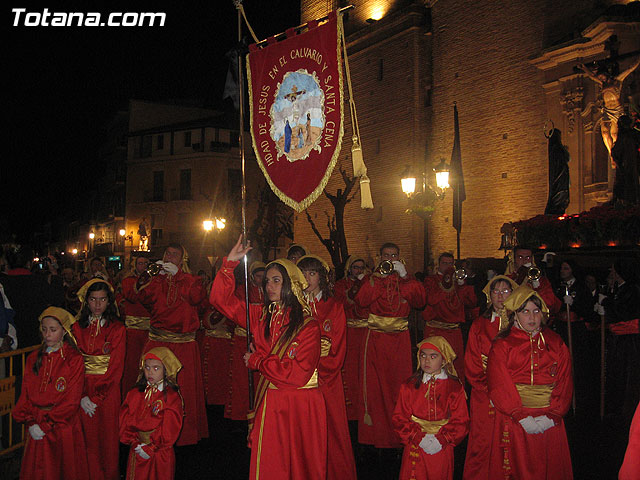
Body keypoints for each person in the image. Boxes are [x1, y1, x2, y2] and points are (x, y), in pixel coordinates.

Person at [210, 236, 327, 479]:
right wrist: (229, 264)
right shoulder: (261, 316)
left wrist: (258, 362)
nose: (269, 286)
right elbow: (221, 301)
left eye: (277, 281)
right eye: (267, 282)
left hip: (300, 404)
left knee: (301, 466)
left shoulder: (309, 327)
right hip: (271, 401)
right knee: (271, 464)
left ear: (292, 284)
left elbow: (297, 374)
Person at [487, 286, 573, 479]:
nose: (532, 317)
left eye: (536, 311)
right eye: (525, 311)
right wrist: (519, 415)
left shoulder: (555, 342)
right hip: (516, 418)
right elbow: (498, 382)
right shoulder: (503, 344)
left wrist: (553, 415)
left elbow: (565, 380)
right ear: (515, 315)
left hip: (549, 419)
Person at [128, 243, 208, 446]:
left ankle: (184, 434)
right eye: (168, 253)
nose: (170, 257)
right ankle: (151, 429)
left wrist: (180, 275)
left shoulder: (192, 280)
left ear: (182, 260)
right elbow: (140, 296)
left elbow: (196, 297)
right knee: (153, 389)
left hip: (183, 345)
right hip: (158, 341)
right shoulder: (156, 280)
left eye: (175, 255)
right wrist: (150, 275)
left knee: (183, 390)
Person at [354, 242, 426, 448]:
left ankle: (399, 434)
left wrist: (404, 277)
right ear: (379, 257)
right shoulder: (372, 278)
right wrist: (379, 277)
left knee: (399, 386)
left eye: (394, 256)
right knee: (375, 389)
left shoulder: (406, 280)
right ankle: (374, 435)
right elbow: (362, 300)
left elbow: (420, 301)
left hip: (399, 341)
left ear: (399, 258)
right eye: (386, 255)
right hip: (375, 338)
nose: (390, 259)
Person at [298, 254, 357, 480]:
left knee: (330, 431)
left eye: (311, 273)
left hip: (325, 382)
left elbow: (336, 350)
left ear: (321, 278)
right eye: (302, 273)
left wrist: (312, 371)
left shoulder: (334, 307)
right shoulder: (293, 308)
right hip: (297, 382)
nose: (306, 278)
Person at [13, 306, 89, 480]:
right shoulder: (34, 358)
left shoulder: (73, 360)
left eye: (53, 330)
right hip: (36, 422)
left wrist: (46, 425)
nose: (47, 334)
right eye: (44, 329)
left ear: (64, 331)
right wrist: (31, 422)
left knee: (62, 470)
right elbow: (25, 393)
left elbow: (71, 400)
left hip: (62, 426)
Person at [463, 275, 518, 479]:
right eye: (496, 291)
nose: (500, 295)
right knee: (483, 438)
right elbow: (472, 360)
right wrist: (490, 389)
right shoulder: (479, 324)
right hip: (484, 392)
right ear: (489, 295)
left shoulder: (520, 322)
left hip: (513, 392)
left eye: (505, 291)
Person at [393, 336, 469, 480]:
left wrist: (442, 439)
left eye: (433, 356)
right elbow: (399, 418)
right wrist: (418, 438)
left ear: (444, 359)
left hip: (442, 447)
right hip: (415, 445)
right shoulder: (408, 386)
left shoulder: (454, 388)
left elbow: (461, 421)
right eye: (423, 356)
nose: (427, 361)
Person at [71, 279, 125, 480]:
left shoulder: (117, 329)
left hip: (108, 391)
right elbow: (73, 364)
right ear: (86, 301)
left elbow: (116, 367)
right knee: (85, 437)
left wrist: (97, 397)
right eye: (93, 299)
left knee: (107, 437)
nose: (97, 304)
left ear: (109, 302)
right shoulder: (77, 328)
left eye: (102, 299)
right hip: (82, 387)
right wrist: (82, 395)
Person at [120, 347, 184, 480]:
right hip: (137, 448)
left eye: (156, 368)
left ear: (166, 370)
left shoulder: (171, 397)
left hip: (160, 452)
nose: (150, 372)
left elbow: (170, 427)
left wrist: (152, 447)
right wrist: (134, 442)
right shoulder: (135, 393)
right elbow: (125, 418)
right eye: (147, 368)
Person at [423, 252, 476, 383]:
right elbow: (431, 299)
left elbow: (472, 302)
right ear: (438, 265)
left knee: (455, 366)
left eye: (450, 264)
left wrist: (462, 285)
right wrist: (446, 282)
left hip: (453, 331)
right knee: (433, 364)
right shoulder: (431, 280)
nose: (448, 266)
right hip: (435, 330)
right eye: (444, 263)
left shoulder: (458, 282)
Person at [597, 259, 640, 423]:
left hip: (629, 340)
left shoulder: (632, 289)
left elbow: (624, 311)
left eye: (614, 270)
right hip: (619, 338)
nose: (611, 273)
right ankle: (617, 406)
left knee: (628, 374)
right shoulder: (619, 289)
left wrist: (607, 303)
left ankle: (627, 409)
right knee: (618, 372)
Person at [0, 245, 64, 348]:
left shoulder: (3, 284)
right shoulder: (38, 282)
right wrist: (54, 273)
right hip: (32, 338)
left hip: (9, 342)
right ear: (29, 264)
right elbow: (57, 299)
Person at [577, 58, 640, 158]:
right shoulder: (602, 84)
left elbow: (629, 69)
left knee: (614, 134)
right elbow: (592, 76)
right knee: (605, 132)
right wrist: (584, 68)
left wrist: (638, 60)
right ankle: (612, 155)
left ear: (606, 74)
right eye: (600, 78)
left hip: (617, 110)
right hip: (607, 110)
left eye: (602, 77)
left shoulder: (617, 80)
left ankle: (618, 154)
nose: (601, 79)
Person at [225, 261, 264, 420]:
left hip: (259, 341)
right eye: (258, 276)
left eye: (263, 276)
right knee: (241, 380)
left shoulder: (268, 291)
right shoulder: (243, 290)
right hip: (243, 338)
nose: (261, 279)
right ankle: (240, 414)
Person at [333, 255, 369, 420]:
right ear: (349, 268)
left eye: (362, 267)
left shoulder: (369, 283)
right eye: (355, 267)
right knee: (350, 371)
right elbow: (341, 303)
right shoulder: (341, 285)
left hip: (366, 332)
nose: (358, 271)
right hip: (349, 332)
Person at [119, 255, 152, 399]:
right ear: (134, 265)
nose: (143, 266)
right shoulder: (128, 281)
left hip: (150, 331)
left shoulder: (154, 281)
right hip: (133, 331)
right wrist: (142, 282)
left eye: (146, 263)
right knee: (132, 365)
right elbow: (132, 296)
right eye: (140, 263)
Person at [505, 246, 562, 315]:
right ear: (514, 260)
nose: (524, 261)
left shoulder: (541, 280)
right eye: (520, 257)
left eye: (528, 257)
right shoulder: (507, 279)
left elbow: (551, 304)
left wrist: (537, 286)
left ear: (532, 260)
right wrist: (520, 276)